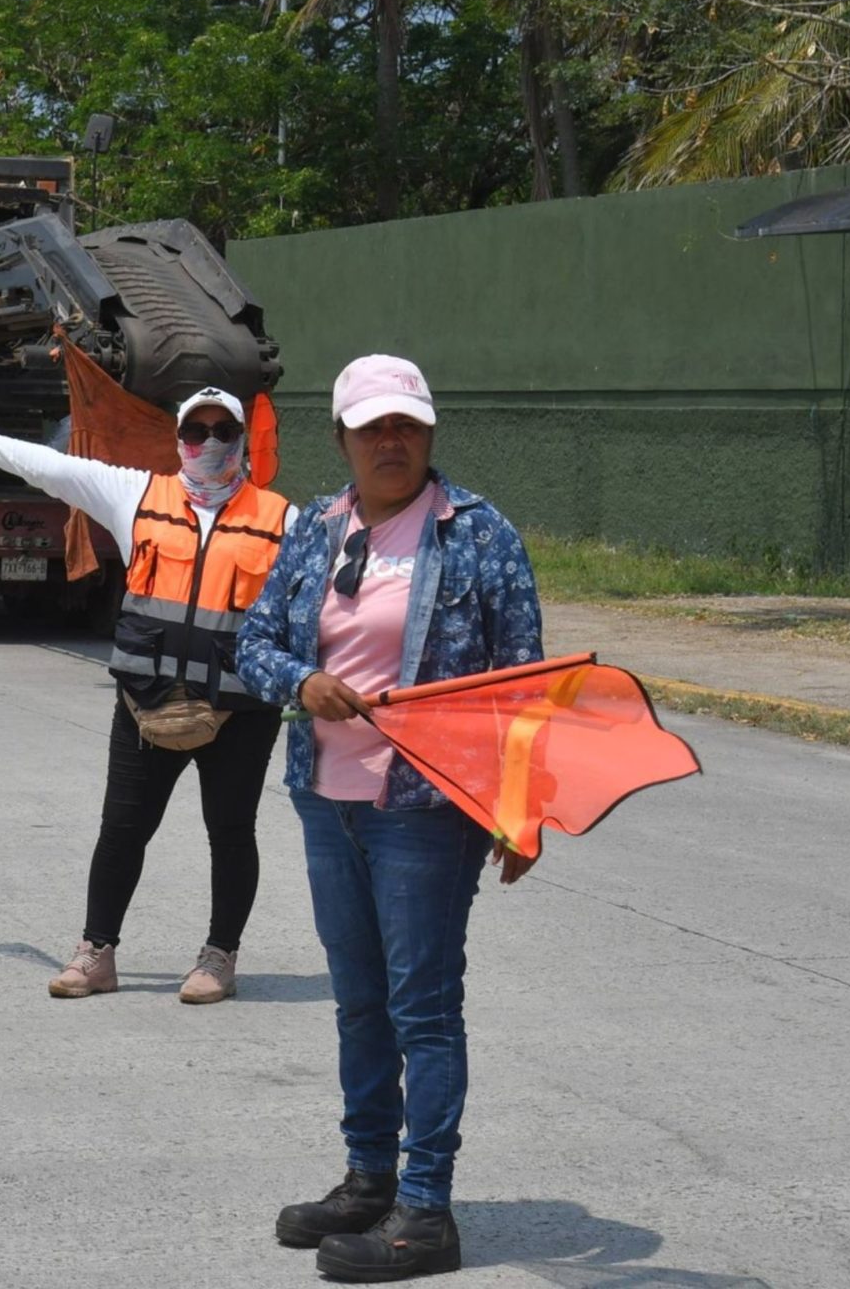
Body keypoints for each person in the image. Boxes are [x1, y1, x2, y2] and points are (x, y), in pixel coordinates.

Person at [233, 354, 543, 1282]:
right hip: (327, 801)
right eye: (373, 428)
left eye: (406, 426)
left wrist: (518, 811)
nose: (392, 442)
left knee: (422, 1008)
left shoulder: (479, 535)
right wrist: (303, 680)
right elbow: (253, 642)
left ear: (429, 434)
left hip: (426, 810)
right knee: (359, 1001)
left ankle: (427, 1211)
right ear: (343, 439)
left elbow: (526, 686)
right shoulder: (317, 530)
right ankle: (368, 1177)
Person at [0, 385, 295, 1007]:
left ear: (242, 440)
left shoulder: (282, 518)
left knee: (232, 831)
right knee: (123, 829)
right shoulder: (137, 495)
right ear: (178, 439)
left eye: (223, 432)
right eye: (196, 431)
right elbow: (56, 469)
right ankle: (96, 953)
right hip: (146, 703)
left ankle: (219, 957)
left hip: (239, 710)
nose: (208, 444)